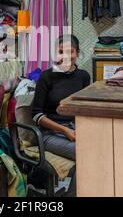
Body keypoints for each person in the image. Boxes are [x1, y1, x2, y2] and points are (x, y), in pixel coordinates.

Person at [31, 34, 90, 196]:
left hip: (77, 130)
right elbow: (36, 115)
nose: (65, 56)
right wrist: (65, 131)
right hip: (50, 134)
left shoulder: (83, 76)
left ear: (77, 53)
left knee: (102, 150)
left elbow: (84, 109)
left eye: (70, 52)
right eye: (60, 51)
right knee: (88, 154)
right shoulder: (46, 76)